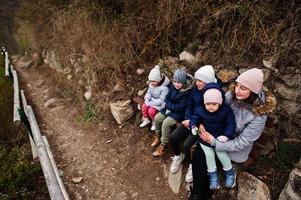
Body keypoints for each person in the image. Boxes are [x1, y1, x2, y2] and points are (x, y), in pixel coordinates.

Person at [189, 68, 276, 200]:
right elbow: (212, 107)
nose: (237, 91)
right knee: (199, 157)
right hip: (218, 133)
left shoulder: (259, 115)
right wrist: (201, 123)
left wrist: (214, 142)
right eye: (237, 86)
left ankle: (200, 194)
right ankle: (199, 194)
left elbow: (242, 142)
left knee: (204, 161)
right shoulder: (232, 96)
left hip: (235, 148)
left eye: (243, 88)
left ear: (253, 91)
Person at [169, 65, 217, 183]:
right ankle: (178, 156)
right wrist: (187, 119)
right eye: (197, 80)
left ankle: (192, 164)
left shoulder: (213, 94)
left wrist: (192, 122)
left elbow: (209, 115)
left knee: (187, 145)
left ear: (208, 81)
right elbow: (189, 105)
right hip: (189, 120)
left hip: (201, 125)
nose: (196, 83)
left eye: (200, 81)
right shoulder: (195, 89)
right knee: (173, 137)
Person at [190, 83, 236, 190]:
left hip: (219, 138)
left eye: (214, 104)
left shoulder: (226, 110)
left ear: (220, 102)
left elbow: (231, 123)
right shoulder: (200, 109)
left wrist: (226, 135)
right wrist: (193, 126)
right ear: (204, 102)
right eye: (208, 104)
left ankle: (229, 171)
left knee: (221, 153)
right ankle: (213, 175)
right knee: (209, 155)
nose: (210, 106)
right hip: (205, 138)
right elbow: (194, 118)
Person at [152, 68, 193, 157]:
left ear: (184, 82)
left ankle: (163, 145)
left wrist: (167, 105)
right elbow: (167, 98)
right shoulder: (172, 86)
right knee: (157, 118)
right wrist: (168, 104)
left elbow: (180, 107)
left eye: (179, 82)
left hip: (179, 114)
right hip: (169, 109)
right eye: (175, 81)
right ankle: (158, 136)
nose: (176, 84)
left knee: (166, 123)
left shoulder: (186, 92)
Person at [140, 65, 170, 131]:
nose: (151, 83)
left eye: (154, 81)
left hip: (160, 104)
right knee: (144, 106)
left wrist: (150, 103)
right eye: (150, 81)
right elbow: (149, 92)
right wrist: (147, 98)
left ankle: (154, 123)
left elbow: (162, 100)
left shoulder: (164, 88)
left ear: (158, 80)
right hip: (152, 100)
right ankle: (146, 119)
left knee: (151, 111)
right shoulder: (151, 84)